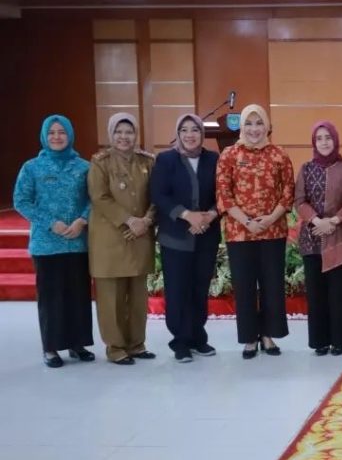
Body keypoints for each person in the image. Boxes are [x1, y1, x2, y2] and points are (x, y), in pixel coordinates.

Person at [13, 115, 94, 368]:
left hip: (77, 242)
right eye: (51, 132)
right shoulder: (32, 167)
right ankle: (50, 347)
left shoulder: (84, 167)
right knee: (51, 299)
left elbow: (94, 198)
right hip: (46, 244)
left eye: (62, 132)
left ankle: (77, 344)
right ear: (44, 136)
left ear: (70, 135)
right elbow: (21, 201)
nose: (57, 137)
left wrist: (82, 220)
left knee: (78, 296)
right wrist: (50, 223)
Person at [216, 104, 295, 359]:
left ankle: (268, 335)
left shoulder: (279, 154)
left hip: (273, 232)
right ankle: (250, 338)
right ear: (241, 126)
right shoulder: (229, 154)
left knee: (272, 285)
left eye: (259, 123)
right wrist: (247, 222)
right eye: (248, 124)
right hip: (240, 233)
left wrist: (270, 219)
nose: (254, 129)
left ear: (267, 126)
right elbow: (224, 194)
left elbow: (288, 192)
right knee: (245, 286)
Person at [150, 114, 221, 363]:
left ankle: (198, 338)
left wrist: (209, 216)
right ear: (178, 134)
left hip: (206, 235)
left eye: (195, 130)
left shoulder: (214, 159)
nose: (190, 135)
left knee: (200, 288)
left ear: (202, 133)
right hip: (176, 236)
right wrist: (187, 215)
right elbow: (159, 194)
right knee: (178, 289)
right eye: (184, 130)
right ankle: (180, 341)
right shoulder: (166, 159)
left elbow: (224, 192)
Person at [87, 113, 157, 365]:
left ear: (136, 134)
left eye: (129, 132)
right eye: (119, 132)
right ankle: (116, 348)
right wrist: (129, 220)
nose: (124, 137)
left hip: (140, 236)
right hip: (110, 238)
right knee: (111, 298)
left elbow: (157, 195)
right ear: (111, 134)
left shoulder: (148, 162)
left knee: (138, 297)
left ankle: (137, 344)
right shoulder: (100, 162)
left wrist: (146, 221)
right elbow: (99, 197)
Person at [295, 121, 342, 356]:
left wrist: (333, 221)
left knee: (339, 292)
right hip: (312, 237)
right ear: (314, 143)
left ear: (335, 140)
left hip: (340, 237)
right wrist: (317, 221)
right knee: (316, 293)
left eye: (328, 137)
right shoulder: (305, 169)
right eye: (319, 138)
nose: (324, 142)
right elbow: (299, 200)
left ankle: (339, 340)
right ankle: (320, 341)